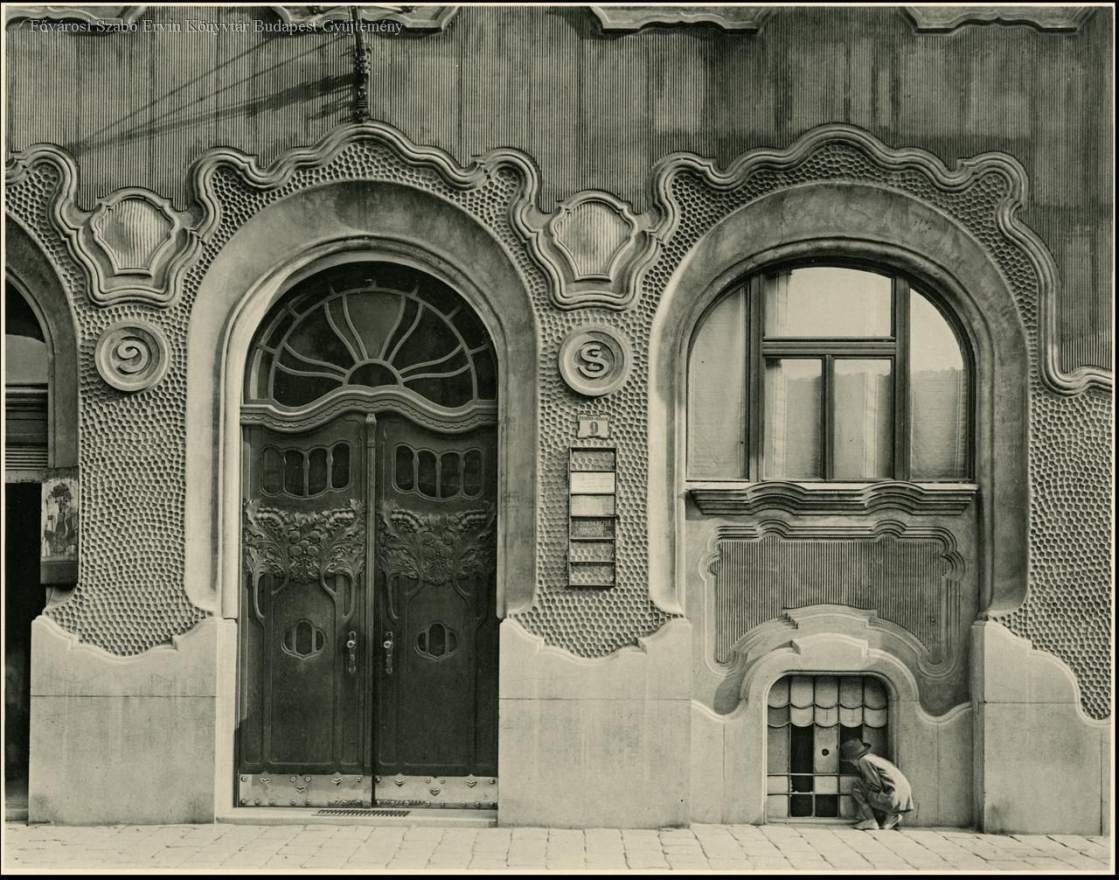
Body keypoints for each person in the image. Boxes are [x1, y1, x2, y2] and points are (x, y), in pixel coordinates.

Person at [840, 738, 914, 830]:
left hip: (891, 798)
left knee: (857, 787)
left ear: (853, 758)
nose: (853, 764)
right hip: (903, 798)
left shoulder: (864, 761)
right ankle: (892, 816)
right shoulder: (873, 758)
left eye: (851, 762)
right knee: (884, 827)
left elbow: (875, 785)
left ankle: (871, 820)